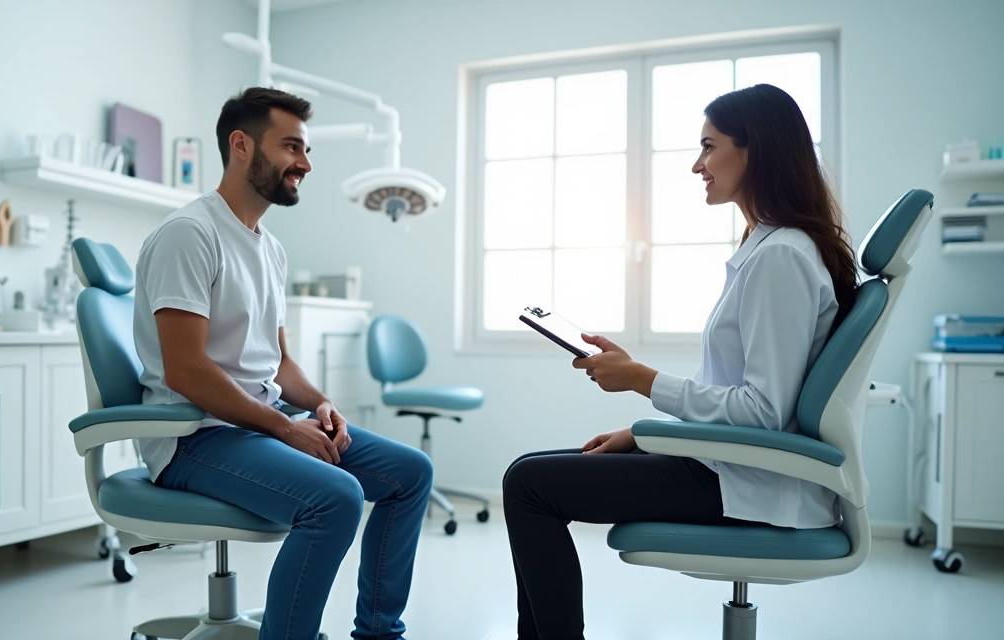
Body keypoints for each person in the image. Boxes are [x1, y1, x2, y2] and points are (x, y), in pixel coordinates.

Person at [502, 83, 861, 640]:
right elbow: (740, 394)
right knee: (530, 471)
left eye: (709, 146)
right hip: (735, 469)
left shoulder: (782, 257)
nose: (698, 165)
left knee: (529, 484)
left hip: (752, 487)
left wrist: (643, 382)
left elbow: (763, 412)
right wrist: (644, 434)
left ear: (754, 150)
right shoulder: (771, 247)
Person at [132, 87, 433, 640]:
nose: (305, 163)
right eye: (292, 147)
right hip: (194, 435)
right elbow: (186, 371)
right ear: (242, 146)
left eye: (306, 149)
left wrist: (318, 405)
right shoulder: (189, 234)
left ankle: (378, 633)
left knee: (409, 474)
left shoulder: (270, 248)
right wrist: (283, 428)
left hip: (258, 424)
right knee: (335, 498)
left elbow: (280, 362)